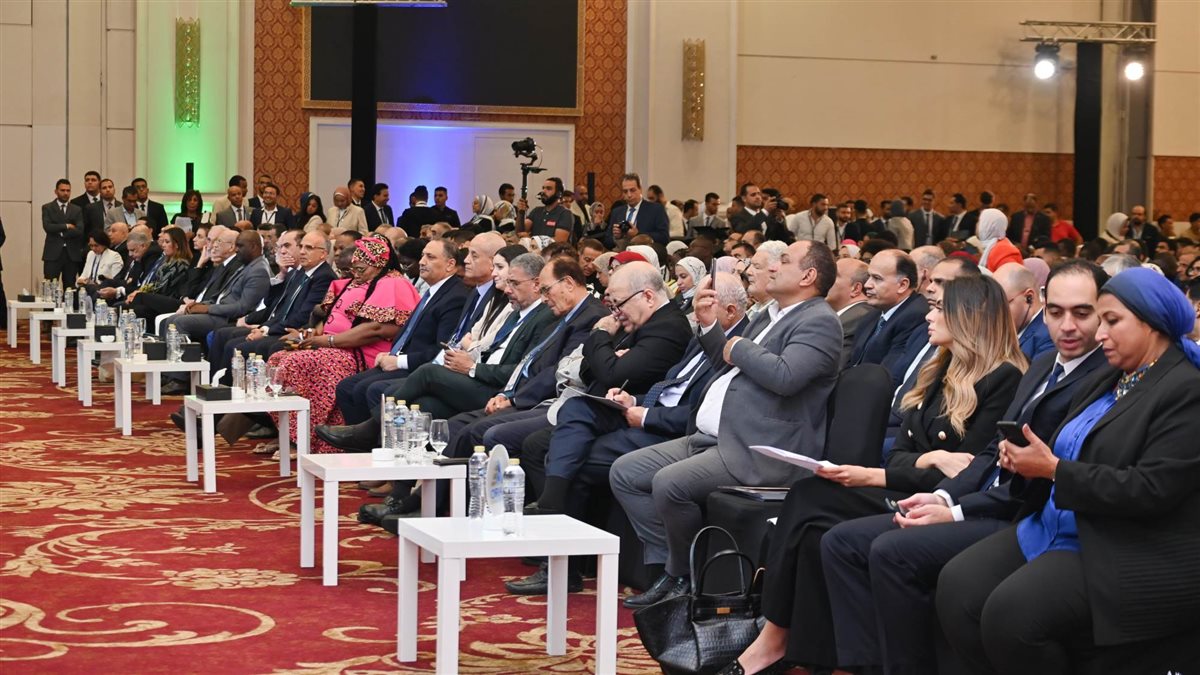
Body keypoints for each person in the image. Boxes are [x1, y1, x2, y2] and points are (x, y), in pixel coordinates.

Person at [722, 275, 1025, 675]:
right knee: (810, 513)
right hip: (907, 486)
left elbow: (967, 473)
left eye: (939, 308)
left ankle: (775, 639)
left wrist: (881, 473)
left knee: (811, 501)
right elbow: (901, 456)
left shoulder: (1004, 379)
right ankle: (805, 650)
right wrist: (930, 457)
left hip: (940, 504)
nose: (928, 317)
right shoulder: (940, 370)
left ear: (969, 317)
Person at [819, 260, 1110, 675]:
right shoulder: (1040, 366)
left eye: (1082, 312)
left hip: (1022, 514)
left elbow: (1017, 477)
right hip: (976, 496)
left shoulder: (1083, 376)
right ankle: (858, 663)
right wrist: (942, 498)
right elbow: (989, 453)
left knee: (892, 552)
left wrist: (953, 509)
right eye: (1056, 312)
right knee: (832, 526)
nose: (1067, 325)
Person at [937, 268, 1200, 674]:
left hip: (1118, 542)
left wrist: (1054, 470)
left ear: (1152, 323)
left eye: (1111, 321)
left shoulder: (1185, 389)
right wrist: (1027, 463)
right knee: (957, 587)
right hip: (1054, 523)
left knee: (1012, 615)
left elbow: (1150, 489)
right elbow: (1069, 446)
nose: (1100, 334)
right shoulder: (1113, 375)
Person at [611, 241, 845, 610]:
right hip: (717, 435)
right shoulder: (770, 314)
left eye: (784, 261)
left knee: (669, 483)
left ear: (808, 276)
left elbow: (785, 377)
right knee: (626, 473)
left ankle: (683, 577)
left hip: (761, 447)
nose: (772, 267)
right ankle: (669, 568)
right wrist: (709, 326)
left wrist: (737, 347)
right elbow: (729, 364)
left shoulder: (820, 321)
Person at [266, 236, 420, 453]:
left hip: (365, 353)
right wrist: (310, 335)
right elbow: (331, 317)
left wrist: (328, 341)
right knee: (277, 358)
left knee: (296, 364)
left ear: (379, 264)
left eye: (361, 268)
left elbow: (378, 329)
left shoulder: (393, 282)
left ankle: (307, 439)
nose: (356, 273)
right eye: (352, 269)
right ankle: (292, 434)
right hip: (340, 346)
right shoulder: (359, 281)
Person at [333, 239, 471, 424]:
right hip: (401, 358)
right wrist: (392, 354)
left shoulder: (455, 297)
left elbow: (441, 350)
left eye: (430, 257)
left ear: (450, 264)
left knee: (369, 389)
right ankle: (357, 439)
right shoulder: (434, 291)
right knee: (346, 387)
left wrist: (398, 360)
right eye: (422, 256)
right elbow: (409, 333)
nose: (422, 262)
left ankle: (374, 440)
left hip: (421, 367)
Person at [849, 250, 929, 384]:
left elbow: (887, 376)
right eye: (869, 277)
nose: (867, 284)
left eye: (877, 278)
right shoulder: (874, 313)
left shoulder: (914, 316)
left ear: (902, 285)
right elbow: (852, 361)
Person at [994, 262, 1054, 359]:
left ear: (1029, 297)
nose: (996, 313)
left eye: (1002, 304)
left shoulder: (1047, 336)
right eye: (993, 305)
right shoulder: (1013, 330)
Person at [42, 179, 86, 285]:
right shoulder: (47, 207)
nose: (65, 193)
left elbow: (80, 230)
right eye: (62, 190)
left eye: (68, 190)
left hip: (71, 253)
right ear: (56, 191)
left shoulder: (76, 209)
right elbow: (48, 227)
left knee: (70, 286)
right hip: (53, 253)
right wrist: (67, 226)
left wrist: (61, 232)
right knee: (50, 285)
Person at [605, 173, 669, 247]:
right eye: (625, 191)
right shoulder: (617, 212)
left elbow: (664, 237)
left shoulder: (656, 209)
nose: (629, 195)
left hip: (645, 252)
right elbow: (607, 240)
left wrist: (638, 234)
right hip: (621, 251)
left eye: (632, 190)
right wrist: (616, 237)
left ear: (640, 189)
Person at [524, 177, 573, 243]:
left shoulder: (565, 213)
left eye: (548, 189)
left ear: (558, 194)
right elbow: (521, 231)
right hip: (534, 248)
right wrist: (521, 212)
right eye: (543, 188)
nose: (544, 191)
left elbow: (559, 240)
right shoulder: (536, 211)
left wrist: (532, 240)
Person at [978, 207, 1023, 272]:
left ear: (987, 225)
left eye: (980, 221)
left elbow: (1008, 277)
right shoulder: (992, 246)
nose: (977, 225)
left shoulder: (1004, 251)